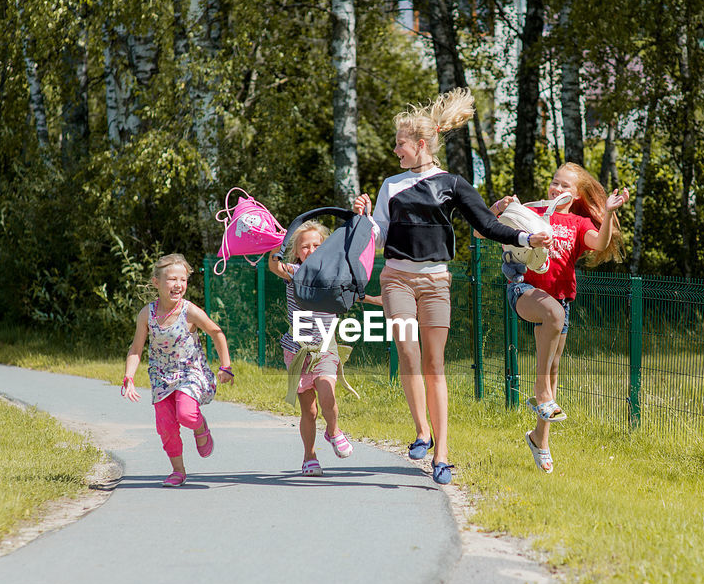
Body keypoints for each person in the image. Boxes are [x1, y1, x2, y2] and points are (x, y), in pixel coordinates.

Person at [352, 87, 552, 484]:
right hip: (397, 280)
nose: (396, 151)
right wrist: (361, 218)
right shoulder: (390, 186)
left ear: (420, 144)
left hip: (436, 282)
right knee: (408, 354)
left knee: (434, 363)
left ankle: (441, 454)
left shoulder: (453, 183)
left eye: (400, 144)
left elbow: (487, 225)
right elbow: (377, 235)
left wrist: (526, 240)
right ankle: (422, 432)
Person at [490, 162, 629, 473]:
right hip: (524, 291)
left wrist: (608, 213)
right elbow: (485, 226)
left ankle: (540, 438)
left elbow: (600, 243)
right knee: (550, 320)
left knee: (553, 369)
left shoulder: (578, 223)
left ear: (577, 194)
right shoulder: (533, 213)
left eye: (565, 186)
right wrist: (499, 207)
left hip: (562, 300)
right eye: (555, 182)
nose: (556, 189)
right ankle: (540, 392)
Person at [268, 220, 380, 477]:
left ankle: (333, 430)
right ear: (297, 252)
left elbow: (356, 293)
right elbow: (274, 266)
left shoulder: (336, 272)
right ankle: (310, 456)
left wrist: (382, 301)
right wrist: (276, 244)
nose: (311, 249)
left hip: (325, 347)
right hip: (296, 350)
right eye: (305, 246)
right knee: (309, 409)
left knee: (327, 393)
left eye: (317, 245)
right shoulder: (295, 272)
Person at [121, 253, 234, 487]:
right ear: (157, 283)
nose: (178, 285)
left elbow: (216, 332)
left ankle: (200, 426)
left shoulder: (189, 311)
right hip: (161, 378)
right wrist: (129, 376)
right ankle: (178, 470)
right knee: (165, 427)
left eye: (182, 280)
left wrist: (226, 366)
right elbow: (135, 349)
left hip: (190, 373)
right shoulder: (147, 314)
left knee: (186, 414)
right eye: (172, 279)